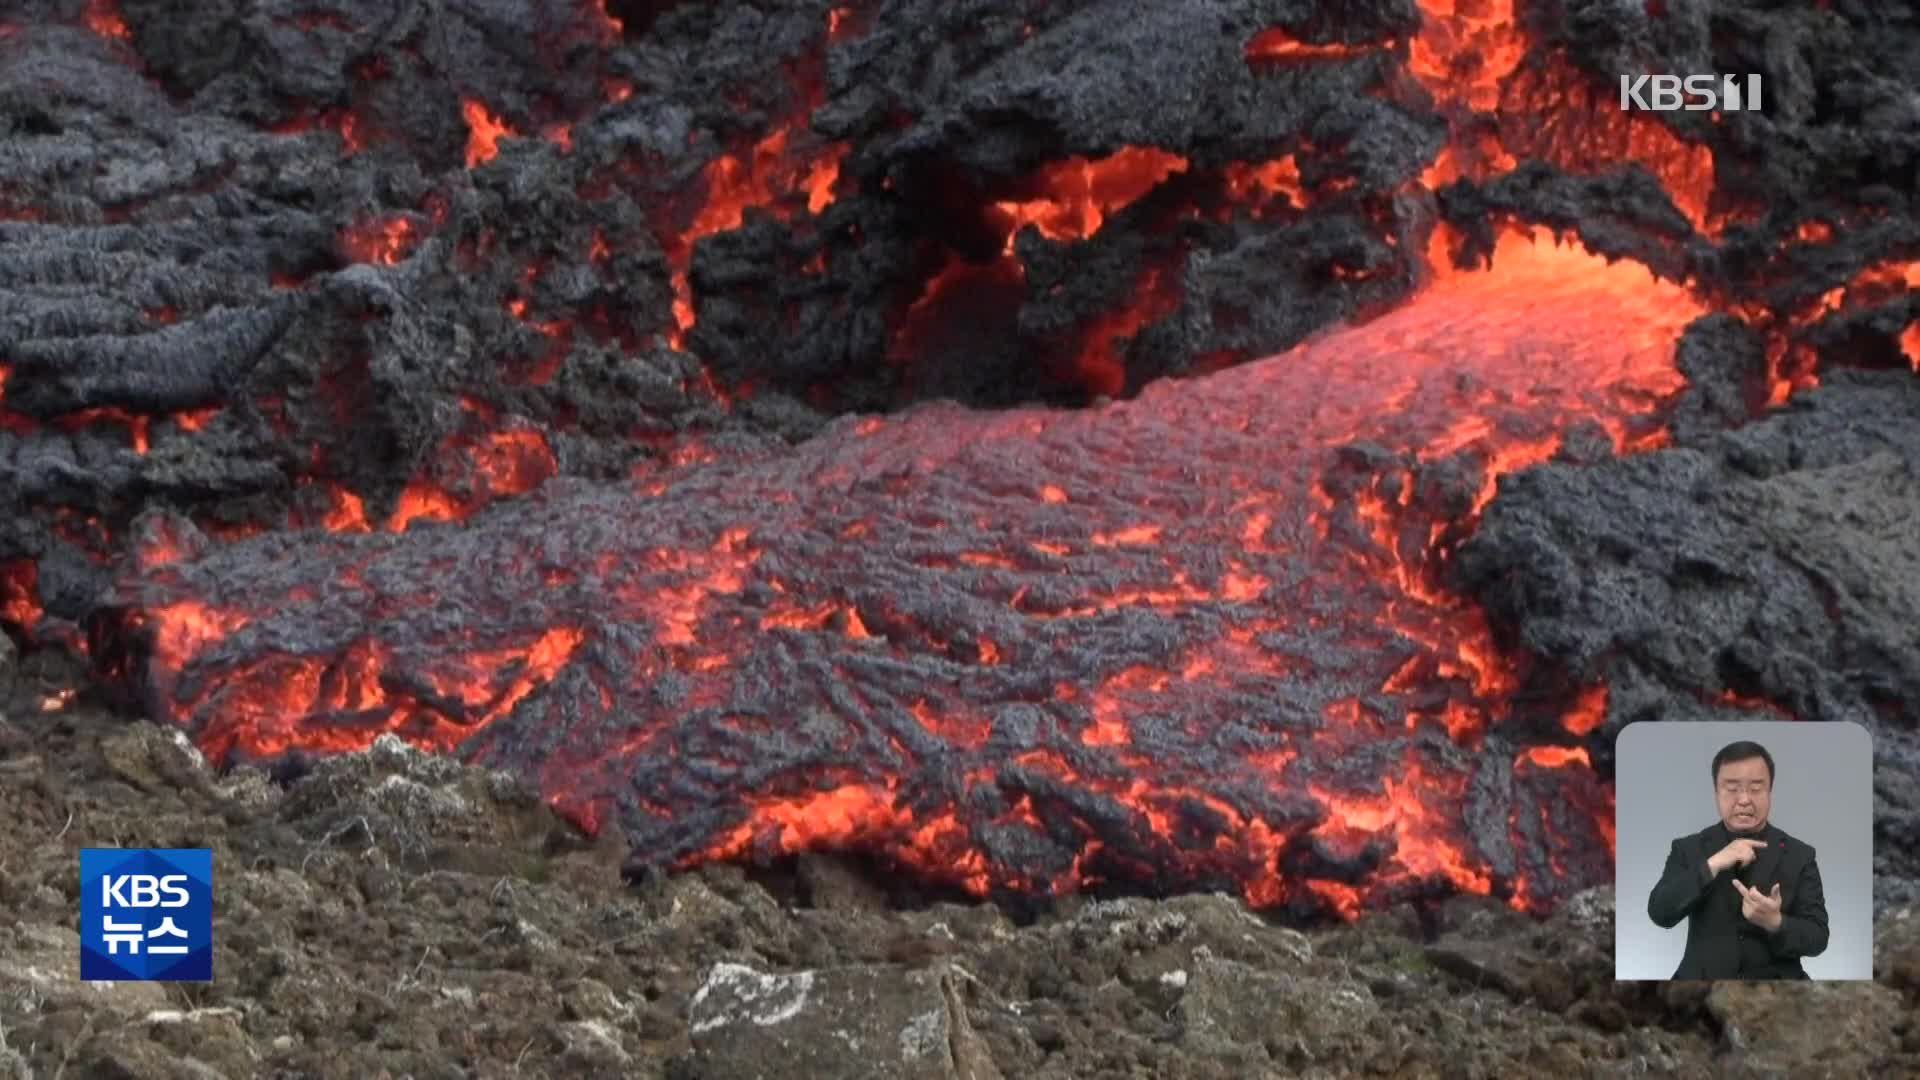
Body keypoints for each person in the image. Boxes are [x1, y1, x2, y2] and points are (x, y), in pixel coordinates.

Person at [1646, 739, 1829, 979]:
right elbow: (1660, 913)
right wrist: (1712, 865)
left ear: (1770, 791)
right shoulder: (1688, 849)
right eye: (1732, 789)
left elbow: (1818, 939)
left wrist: (1775, 922)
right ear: (1716, 792)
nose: (1744, 799)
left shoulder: (1799, 854)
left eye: (1755, 789)